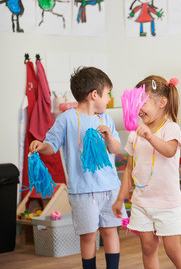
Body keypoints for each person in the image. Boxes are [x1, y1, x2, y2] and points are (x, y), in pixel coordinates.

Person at [30, 67, 125, 269]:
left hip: (109, 188)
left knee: (110, 231)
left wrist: (108, 136)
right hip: (83, 191)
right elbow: (51, 146)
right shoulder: (66, 119)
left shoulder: (105, 119)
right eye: (107, 94)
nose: (108, 99)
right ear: (94, 95)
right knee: (89, 235)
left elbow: (116, 148)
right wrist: (40, 145)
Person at [112, 75, 181, 269]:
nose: (138, 108)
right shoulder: (135, 133)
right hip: (142, 202)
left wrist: (150, 137)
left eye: (142, 102)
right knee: (147, 248)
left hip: (167, 203)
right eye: (136, 102)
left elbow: (170, 151)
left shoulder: (171, 128)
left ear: (162, 102)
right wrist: (120, 198)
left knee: (173, 250)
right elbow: (130, 168)